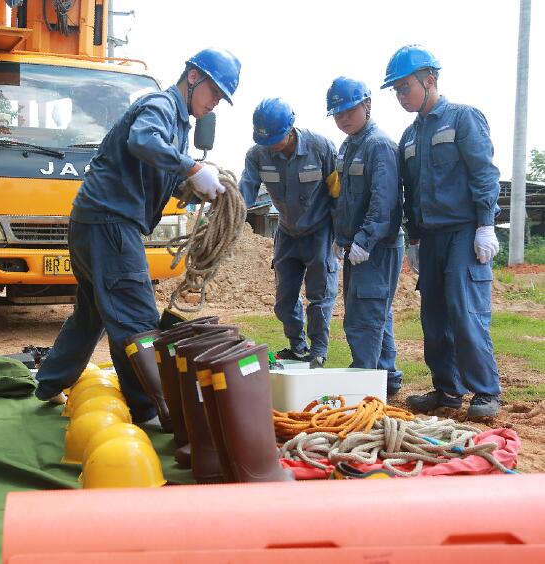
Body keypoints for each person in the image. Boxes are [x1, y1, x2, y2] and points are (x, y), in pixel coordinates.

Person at [33, 48, 242, 423]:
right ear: (193, 77)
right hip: (111, 224)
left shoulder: (178, 127)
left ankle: (48, 384)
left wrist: (190, 185)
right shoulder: (162, 106)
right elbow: (143, 142)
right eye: (214, 91)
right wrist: (192, 167)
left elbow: (153, 171)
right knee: (138, 320)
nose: (215, 103)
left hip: (94, 223)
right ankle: (156, 410)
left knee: (92, 314)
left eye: (221, 98)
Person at [382, 44, 502, 418]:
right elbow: (410, 192)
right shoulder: (409, 137)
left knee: (465, 312)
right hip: (431, 238)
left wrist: (486, 225)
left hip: (465, 232)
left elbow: (484, 174)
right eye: (396, 91)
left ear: (429, 80)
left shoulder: (464, 119)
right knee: (433, 318)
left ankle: (485, 392)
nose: (401, 96)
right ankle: (447, 391)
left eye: (405, 88)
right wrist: (414, 238)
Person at [239, 98, 338, 368]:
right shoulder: (257, 155)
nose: (270, 145)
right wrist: (231, 218)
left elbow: (338, 192)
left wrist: (342, 234)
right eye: (265, 140)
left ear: (290, 128)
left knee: (319, 298)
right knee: (284, 300)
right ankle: (297, 346)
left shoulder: (321, 148)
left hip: (319, 232)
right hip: (286, 233)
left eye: (275, 138)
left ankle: (318, 350)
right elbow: (245, 191)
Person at [326, 77, 404, 396]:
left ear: (367, 105)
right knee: (376, 311)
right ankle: (388, 377)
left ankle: (364, 382)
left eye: (349, 110)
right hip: (356, 245)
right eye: (337, 112)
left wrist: (364, 240)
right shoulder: (348, 146)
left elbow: (383, 200)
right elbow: (342, 197)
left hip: (377, 247)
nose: (343, 117)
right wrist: (340, 236)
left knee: (364, 314)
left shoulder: (378, 145)